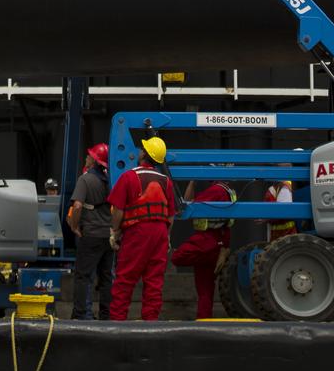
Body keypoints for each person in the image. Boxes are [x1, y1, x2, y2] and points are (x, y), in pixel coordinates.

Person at [107, 134, 175, 321]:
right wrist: (166, 237)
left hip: (137, 232)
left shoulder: (129, 177)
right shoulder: (166, 181)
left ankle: (117, 324)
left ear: (144, 154)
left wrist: (114, 232)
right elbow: (170, 215)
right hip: (160, 232)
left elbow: (118, 211)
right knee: (154, 283)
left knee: (125, 281)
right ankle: (150, 326)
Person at [170, 178, 235, 319]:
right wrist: (225, 248)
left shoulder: (216, 190)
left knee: (176, 257)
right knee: (205, 290)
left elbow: (186, 205)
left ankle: (204, 319)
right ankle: (204, 320)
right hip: (219, 241)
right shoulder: (227, 190)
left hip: (207, 241)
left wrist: (192, 182)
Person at [68, 142, 113, 321]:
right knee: (106, 278)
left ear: (94, 160)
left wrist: (74, 225)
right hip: (107, 235)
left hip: (91, 234)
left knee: (83, 276)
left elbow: (77, 205)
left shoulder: (85, 179)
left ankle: (82, 314)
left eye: (90, 155)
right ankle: (106, 315)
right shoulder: (110, 180)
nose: (86, 157)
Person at [264, 174, 296, 242]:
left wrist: (265, 219)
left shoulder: (284, 186)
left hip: (286, 234)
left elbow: (284, 211)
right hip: (279, 235)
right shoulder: (276, 187)